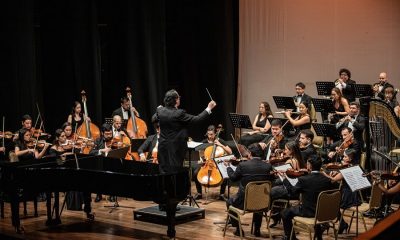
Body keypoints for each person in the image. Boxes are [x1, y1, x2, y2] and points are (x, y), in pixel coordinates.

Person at [155, 89, 216, 174]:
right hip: (175, 150)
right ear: (176, 100)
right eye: (179, 98)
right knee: (175, 173)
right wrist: (209, 108)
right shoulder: (179, 113)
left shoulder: (160, 110)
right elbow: (197, 119)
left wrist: (159, 110)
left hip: (162, 148)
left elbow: (153, 119)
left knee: (163, 172)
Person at [280, 156, 337, 240]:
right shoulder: (327, 179)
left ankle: (290, 238)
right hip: (324, 213)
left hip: (309, 212)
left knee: (285, 213)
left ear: (309, 166)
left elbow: (292, 192)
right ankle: (319, 235)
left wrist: (284, 179)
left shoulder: (304, 180)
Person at [224, 143, 274, 237]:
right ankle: (257, 230)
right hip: (263, 202)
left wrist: (228, 167)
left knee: (229, 202)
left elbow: (233, 178)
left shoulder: (243, 165)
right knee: (257, 198)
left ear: (250, 153)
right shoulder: (267, 166)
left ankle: (238, 229)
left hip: (244, 202)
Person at [322, 149, 361, 234]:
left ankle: (327, 224)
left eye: (345, 157)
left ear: (350, 159)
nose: (343, 158)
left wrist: (324, 174)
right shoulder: (354, 166)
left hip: (348, 196)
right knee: (331, 202)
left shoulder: (347, 169)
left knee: (330, 203)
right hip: (354, 194)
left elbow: (333, 180)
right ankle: (340, 224)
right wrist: (336, 171)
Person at [194, 125, 232, 200]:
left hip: (217, 164)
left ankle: (221, 194)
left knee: (225, 173)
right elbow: (200, 152)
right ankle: (199, 193)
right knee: (195, 173)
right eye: (208, 134)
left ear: (215, 134)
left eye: (211, 134)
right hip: (206, 163)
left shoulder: (220, 140)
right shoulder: (204, 142)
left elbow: (230, 151)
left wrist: (220, 145)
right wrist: (202, 159)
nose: (210, 136)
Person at [90, 123, 114, 202]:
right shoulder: (98, 140)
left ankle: (112, 194)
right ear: (102, 133)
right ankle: (99, 194)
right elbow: (91, 152)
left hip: (112, 163)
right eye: (107, 134)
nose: (109, 136)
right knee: (98, 172)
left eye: (110, 133)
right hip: (101, 163)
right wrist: (101, 150)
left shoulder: (115, 140)